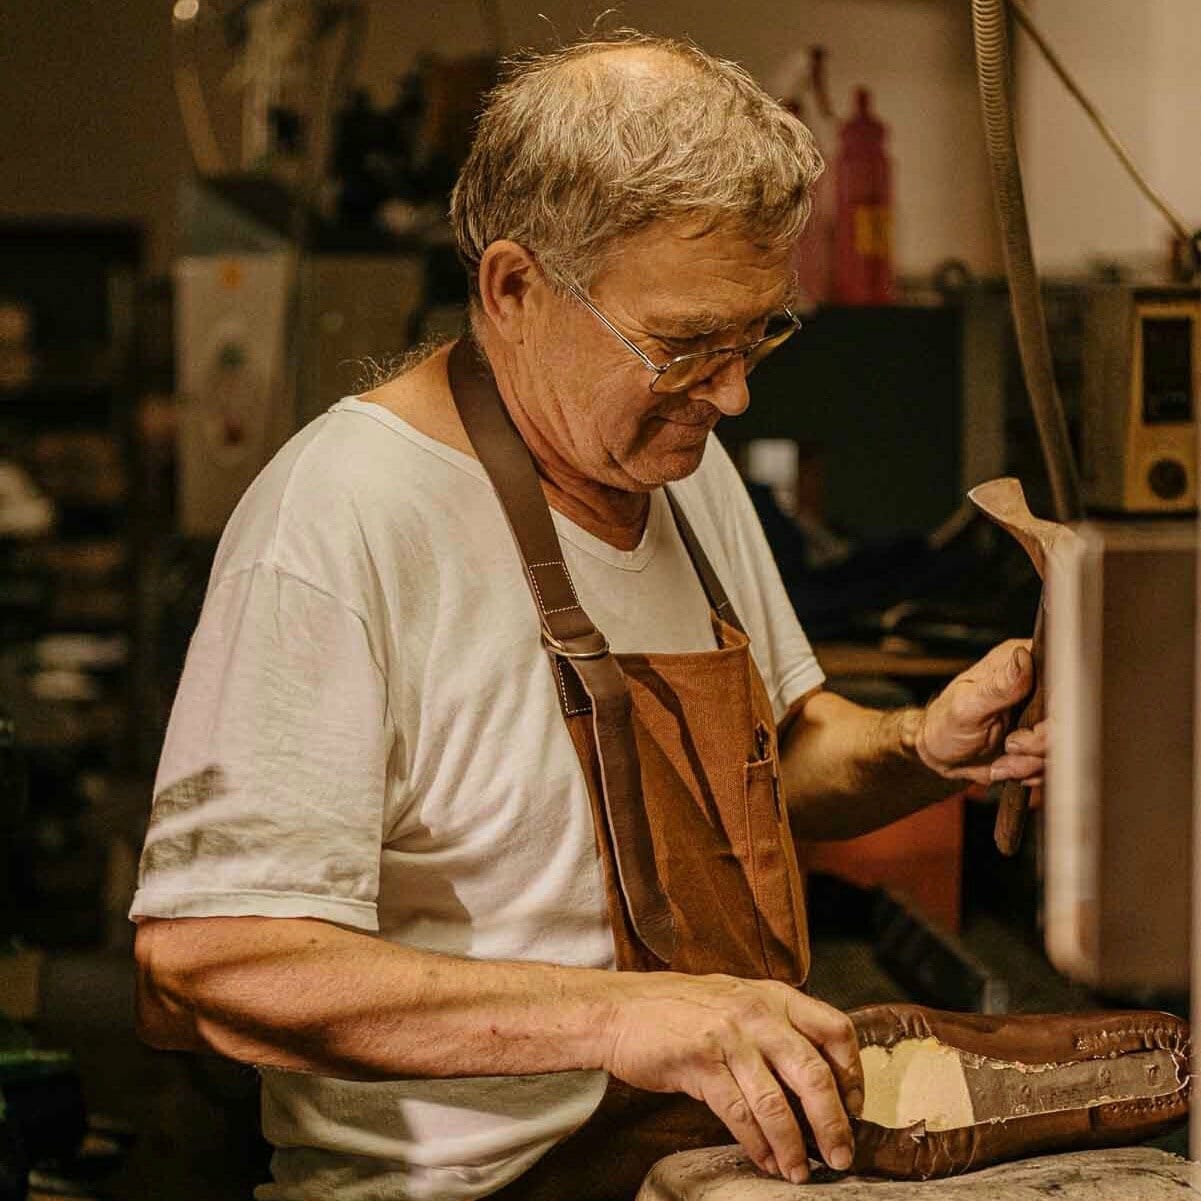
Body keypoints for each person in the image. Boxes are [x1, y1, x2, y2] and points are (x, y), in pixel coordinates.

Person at [132, 30, 1046, 1201]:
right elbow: (204, 961)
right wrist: (620, 1017)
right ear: (513, 287)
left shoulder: (680, 461)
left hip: (713, 1164)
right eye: (682, 345)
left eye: (757, 330)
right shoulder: (343, 520)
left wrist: (926, 746)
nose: (732, 391)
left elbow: (779, 755)